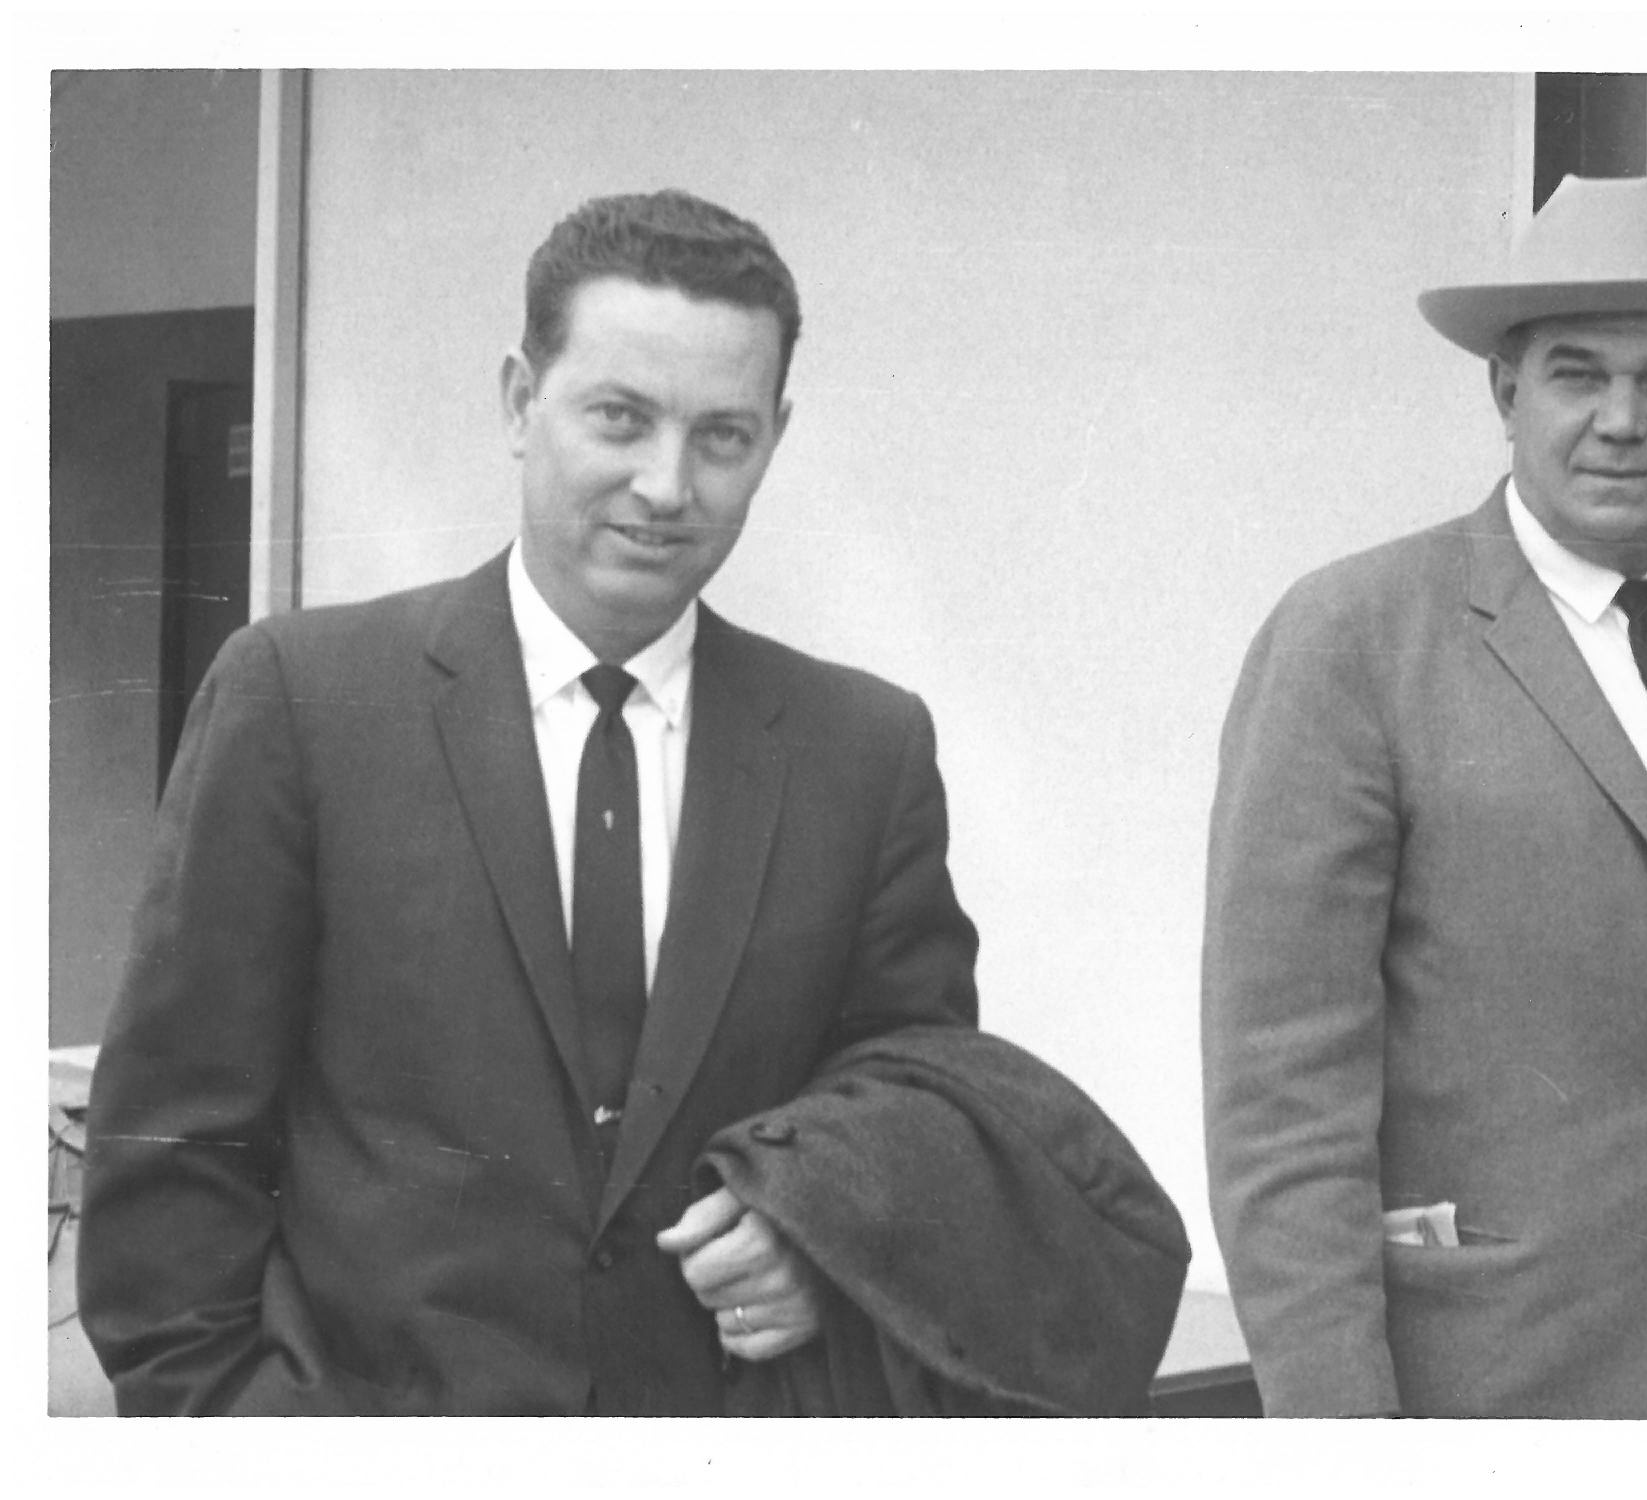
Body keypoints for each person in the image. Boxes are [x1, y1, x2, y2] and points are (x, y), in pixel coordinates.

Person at [80, 191, 986, 1414]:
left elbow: (919, 1097)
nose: (665, 485)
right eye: (620, 417)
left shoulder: (863, 750)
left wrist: (822, 1230)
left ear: (775, 436)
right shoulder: (303, 700)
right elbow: (173, 1151)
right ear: (519, 400)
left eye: (722, 436)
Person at [1201, 173, 1647, 1419]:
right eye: (1579, 373)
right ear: (1505, 391)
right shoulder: (1355, 640)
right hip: (1494, 1400)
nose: (1622, 419)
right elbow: (1282, 1114)